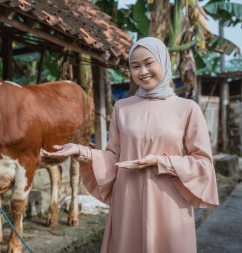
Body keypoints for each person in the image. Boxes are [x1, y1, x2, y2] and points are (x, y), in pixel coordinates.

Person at [41, 37, 219, 253]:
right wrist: (81, 151)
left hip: (170, 203)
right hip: (128, 203)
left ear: (164, 61)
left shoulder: (187, 109)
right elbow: (114, 157)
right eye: (135, 66)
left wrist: (161, 162)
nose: (142, 71)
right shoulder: (122, 108)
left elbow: (202, 164)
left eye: (148, 63)